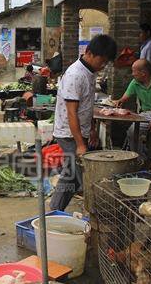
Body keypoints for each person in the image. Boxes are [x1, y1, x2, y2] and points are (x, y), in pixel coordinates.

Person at [49, 35, 117, 211]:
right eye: (102, 60)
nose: (103, 65)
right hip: (69, 134)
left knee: (70, 175)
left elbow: (87, 106)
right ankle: (97, 214)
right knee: (87, 178)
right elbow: (72, 112)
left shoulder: (90, 72)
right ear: (89, 53)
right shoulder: (75, 75)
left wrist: (92, 129)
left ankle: (54, 212)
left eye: (106, 62)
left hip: (80, 132)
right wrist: (80, 144)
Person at [115, 59, 151, 172]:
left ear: (143, 73)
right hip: (146, 115)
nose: (132, 74)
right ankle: (140, 159)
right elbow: (124, 98)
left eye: (134, 71)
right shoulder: (135, 82)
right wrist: (119, 102)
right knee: (132, 132)